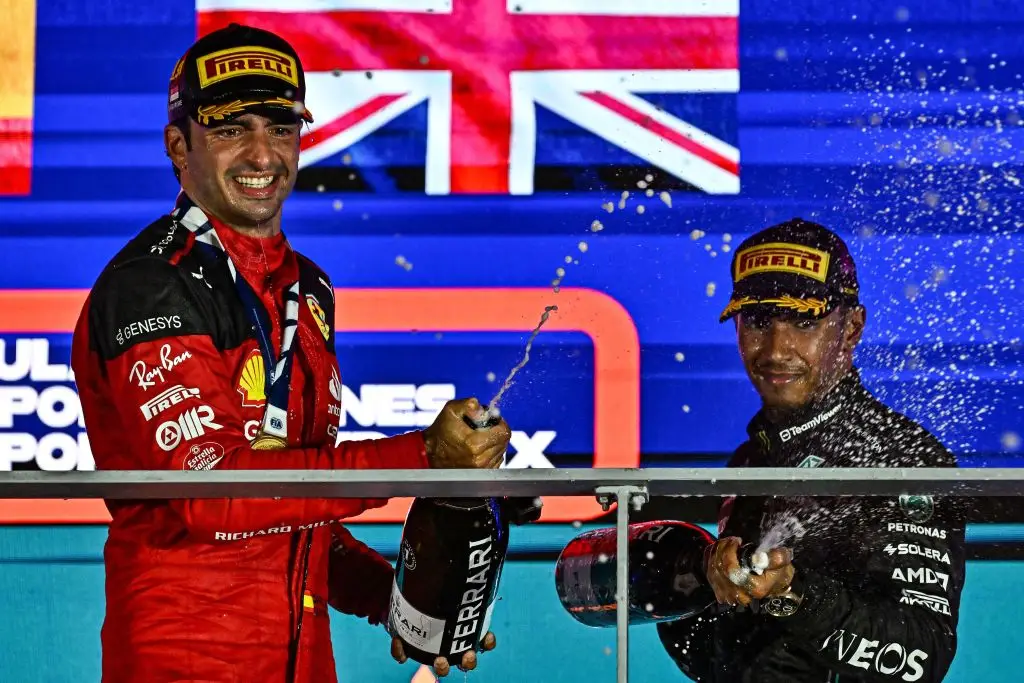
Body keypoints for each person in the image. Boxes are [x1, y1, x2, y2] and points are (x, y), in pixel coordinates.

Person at [70, 23, 507, 683]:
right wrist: (420, 458)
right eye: (229, 129)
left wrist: (398, 604)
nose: (261, 154)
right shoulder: (148, 284)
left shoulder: (308, 288)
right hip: (182, 660)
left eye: (280, 127)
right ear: (177, 146)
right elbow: (211, 497)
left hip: (303, 661)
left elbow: (291, 511)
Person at [655, 219, 967, 682]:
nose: (777, 350)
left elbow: (922, 658)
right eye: (759, 321)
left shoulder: (904, 459)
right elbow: (709, 659)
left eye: (805, 321)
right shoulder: (748, 459)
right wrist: (695, 574)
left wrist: (793, 594)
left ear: (852, 328)